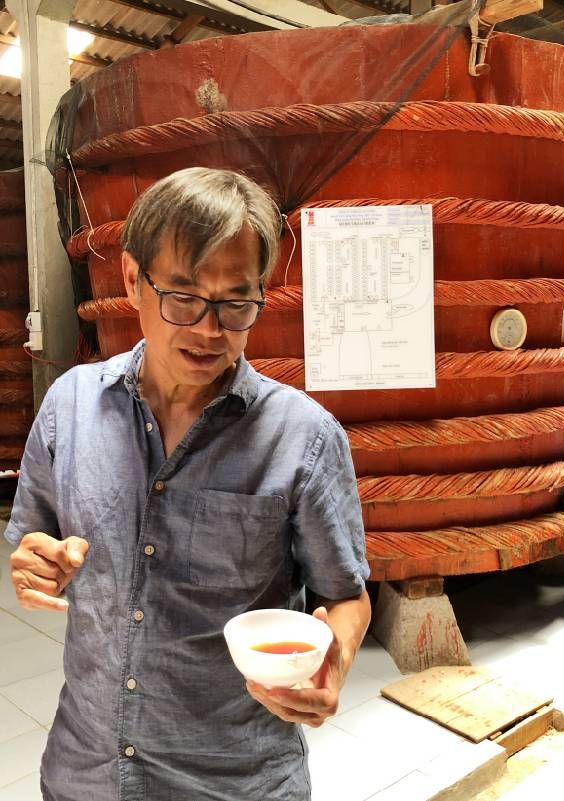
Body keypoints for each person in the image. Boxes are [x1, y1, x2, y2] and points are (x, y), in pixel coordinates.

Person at [6, 167, 371, 801]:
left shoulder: (303, 437)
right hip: (85, 768)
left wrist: (331, 667)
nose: (208, 328)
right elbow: (34, 535)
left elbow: (347, 597)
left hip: (234, 778)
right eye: (182, 295)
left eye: (235, 302)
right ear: (130, 280)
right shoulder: (68, 405)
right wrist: (36, 564)